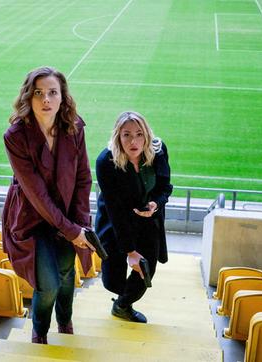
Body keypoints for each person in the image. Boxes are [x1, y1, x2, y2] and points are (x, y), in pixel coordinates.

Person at [2, 66, 95, 344]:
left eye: (52, 93)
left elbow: (83, 177)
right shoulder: (16, 136)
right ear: (28, 98)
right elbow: (37, 195)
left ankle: (65, 321)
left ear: (62, 97)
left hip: (67, 216)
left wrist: (80, 223)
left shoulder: (74, 126)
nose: (46, 100)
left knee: (67, 274)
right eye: (39, 93)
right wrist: (72, 231)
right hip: (32, 219)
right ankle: (39, 331)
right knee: (49, 284)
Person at [95, 110, 173, 323]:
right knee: (112, 280)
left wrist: (155, 204)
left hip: (148, 221)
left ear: (147, 135)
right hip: (116, 220)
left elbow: (165, 186)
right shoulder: (106, 161)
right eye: (126, 134)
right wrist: (130, 251)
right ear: (118, 136)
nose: (133, 141)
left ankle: (122, 306)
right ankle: (119, 293)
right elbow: (115, 209)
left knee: (145, 272)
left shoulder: (158, 150)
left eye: (139, 134)